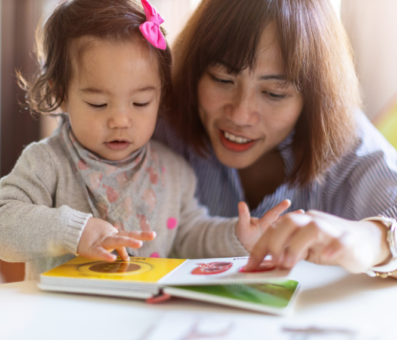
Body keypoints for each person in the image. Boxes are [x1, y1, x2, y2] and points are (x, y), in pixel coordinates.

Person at [0, 0, 289, 280]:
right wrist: (76, 231)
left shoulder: (172, 171)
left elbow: (189, 236)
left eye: (140, 103)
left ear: (160, 95)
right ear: (60, 94)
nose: (120, 120)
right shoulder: (47, 163)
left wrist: (237, 236)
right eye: (98, 104)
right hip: (63, 319)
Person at [154, 0, 397, 277]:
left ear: (313, 98)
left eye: (274, 94)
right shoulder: (154, 120)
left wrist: (372, 239)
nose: (241, 115)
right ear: (195, 72)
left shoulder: (344, 138)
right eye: (222, 79)